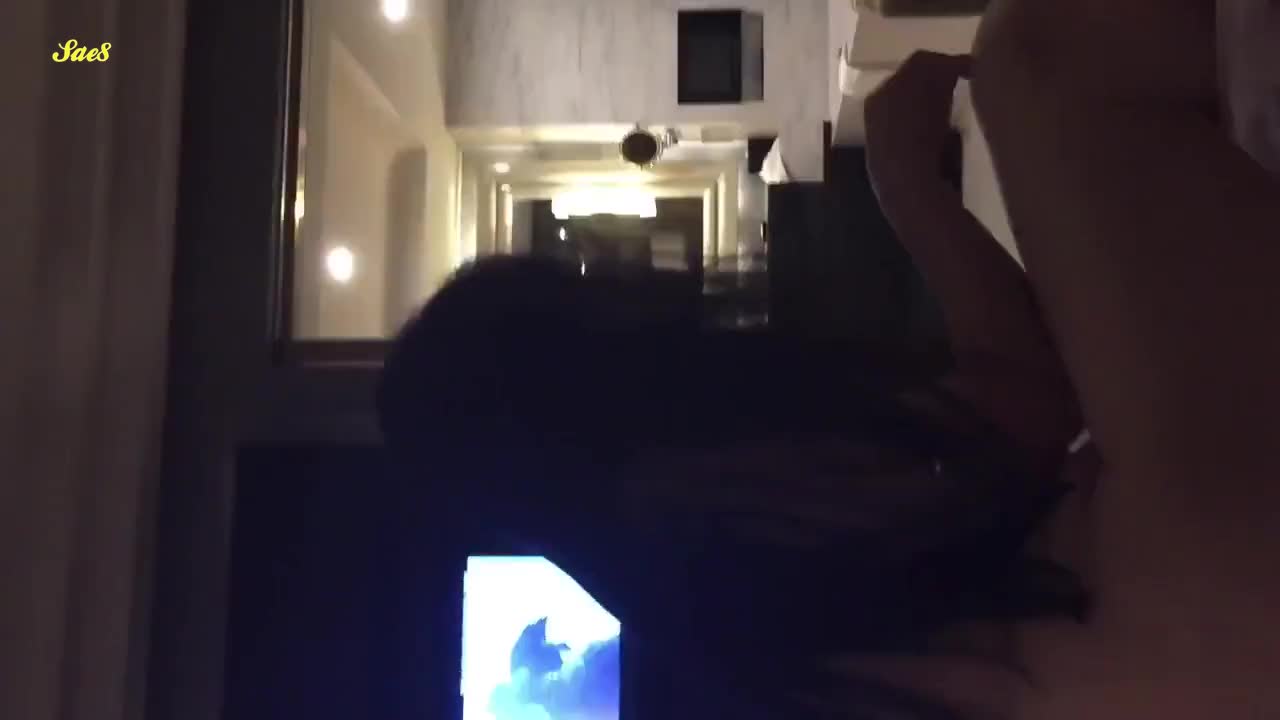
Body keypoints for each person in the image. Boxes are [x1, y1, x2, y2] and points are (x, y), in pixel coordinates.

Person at [378, 0, 1280, 716]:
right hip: (1190, 599)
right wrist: (908, 185)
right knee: (1032, 66)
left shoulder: (674, 598)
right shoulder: (691, 488)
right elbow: (1025, 406)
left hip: (1158, 664)